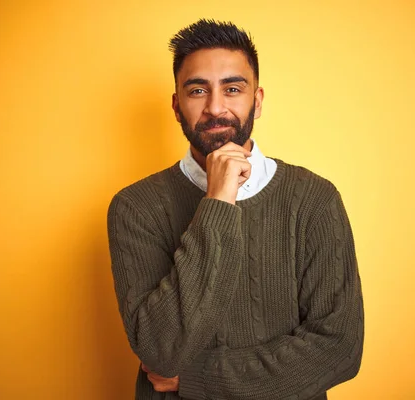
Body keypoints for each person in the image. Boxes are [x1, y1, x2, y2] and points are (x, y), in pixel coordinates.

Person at [107, 19, 364, 400]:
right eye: (197, 90)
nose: (215, 108)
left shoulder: (315, 199)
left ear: (256, 101)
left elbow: (339, 349)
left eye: (232, 88)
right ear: (177, 106)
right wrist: (218, 200)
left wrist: (198, 379)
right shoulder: (135, 207)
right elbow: (161, 352)